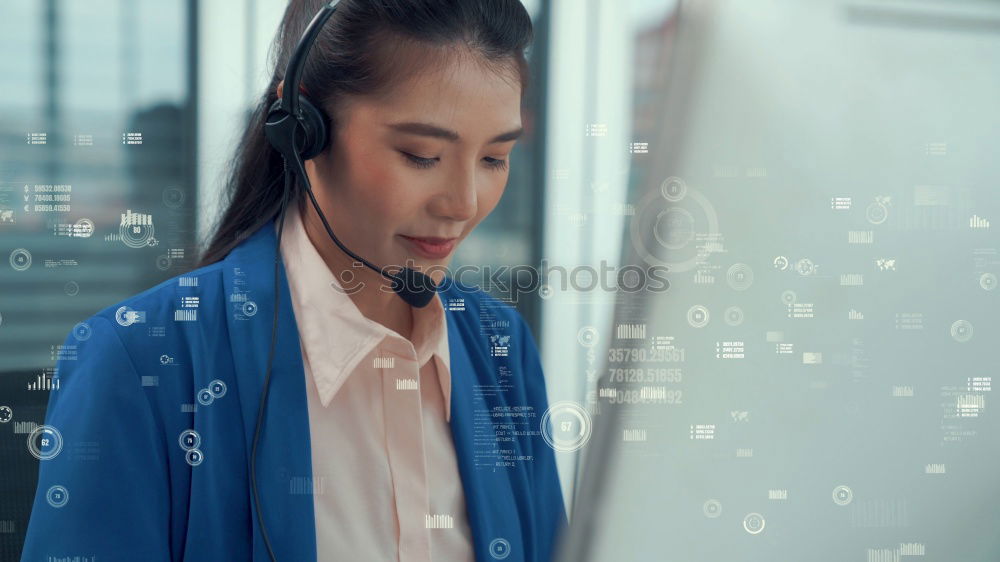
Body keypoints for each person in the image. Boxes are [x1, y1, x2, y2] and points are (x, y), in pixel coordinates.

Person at [19, 0, 566, 560]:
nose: (464, 204)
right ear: (301, 129)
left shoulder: (501, 345)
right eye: (421, 155)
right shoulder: (139, 359)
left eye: (495, 158)